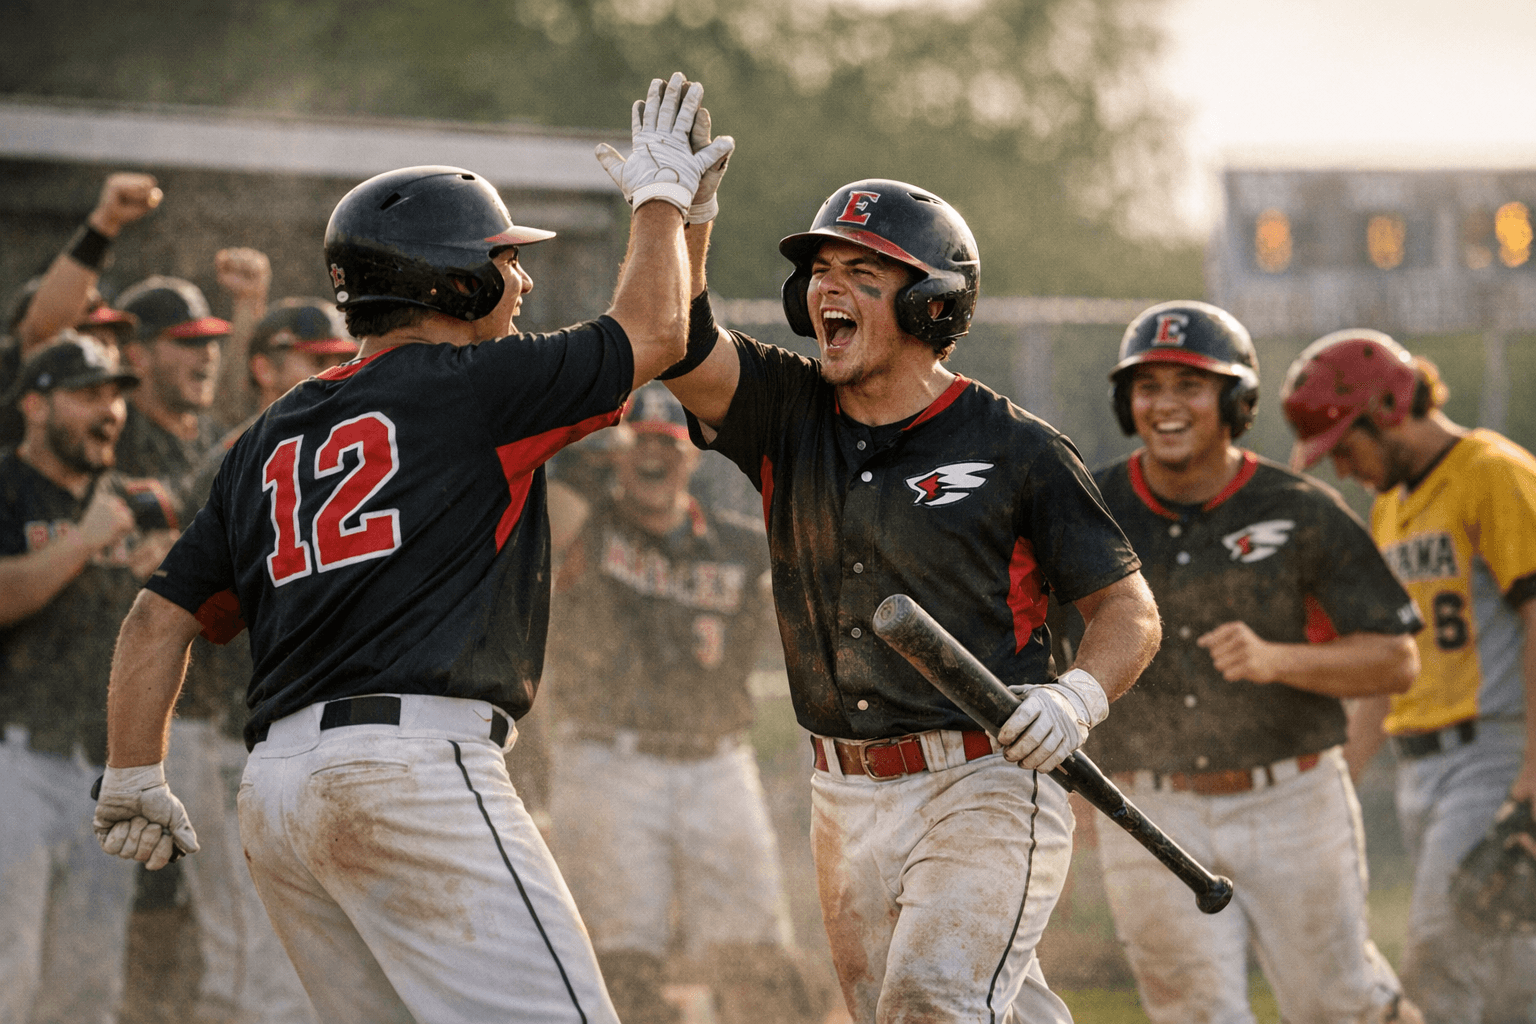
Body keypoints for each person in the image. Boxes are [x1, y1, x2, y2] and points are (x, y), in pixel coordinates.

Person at [92, 72, 732, 1024]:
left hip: (277, 795)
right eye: (503, 262)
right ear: (454, 280)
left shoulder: (272, 430)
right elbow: (654, 333)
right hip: (411, 773)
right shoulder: (477, 385)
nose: (518, 282)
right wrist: (662, 200)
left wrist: (133, 774)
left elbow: (159, 618)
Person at [659, 170, 1161, 1021]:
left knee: (930, 1006)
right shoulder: (789, 409)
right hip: (843, 794)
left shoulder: (1017, 447)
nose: (828, 289)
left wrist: (1076, 699)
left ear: (933, 305)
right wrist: (686, 216)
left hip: (985, 782)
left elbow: (1129, 611)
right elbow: (676, 342)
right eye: (820, 271)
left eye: (864, 273)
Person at [1068, 302, 1424, 1023]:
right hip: (1149, 806)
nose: (1166, 404)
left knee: (1339, 1004)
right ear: (1126, 403)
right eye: (1148, 386)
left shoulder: (1298, 506)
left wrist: (1278, 660)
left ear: (1236, 401)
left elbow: (1395, 660)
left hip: (1290, 801)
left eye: (1190, 385)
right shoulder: (1090, 507)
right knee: (1196, 1015)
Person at [1282, 330, 1536, 1024]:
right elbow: (1387, 667)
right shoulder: (1391, 507)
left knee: (1437, 959)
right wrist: (1340, 783)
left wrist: (1532, 777)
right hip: (1422, 768)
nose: (1342, 468)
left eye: (1346, 445)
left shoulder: (1494, 471)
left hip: (1496, 753)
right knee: (1511, 982)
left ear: (1387, 409)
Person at [543, 382, 817, 1024]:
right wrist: (593, 451)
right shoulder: (587, 524)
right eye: (639, 443)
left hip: (717, 764)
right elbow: (549, 533)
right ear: (616, 455)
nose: (653, 456)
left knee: (755, 951)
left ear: (691, 457)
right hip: (609, 759)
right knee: (619, 955)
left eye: (669, 444)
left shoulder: (738, 543)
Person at [159, 298, 358, 1024]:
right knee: (246, 953)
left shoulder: (344, 450)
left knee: (296, 955)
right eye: (312, 356)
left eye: (339, 351)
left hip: (296, 738)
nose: (333, 365)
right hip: (218, 729)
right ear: (264, 366)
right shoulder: (239, 454)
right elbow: (186, 604)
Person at [0, 332, 175, 1023]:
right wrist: (85, 540)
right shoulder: (6, 486)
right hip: (16, 756)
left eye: (114, 396)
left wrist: (169, 576)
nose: (108, 412)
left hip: (110, 767)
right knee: (9, 965)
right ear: (37, 407)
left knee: (91, 978)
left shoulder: (139, 498)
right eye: (86, 395)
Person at [112, 275, 229, 488]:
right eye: (190, 341)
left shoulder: (220, 439)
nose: (209, 354)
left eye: (211, 340)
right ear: (138, 356)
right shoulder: (111, 443)